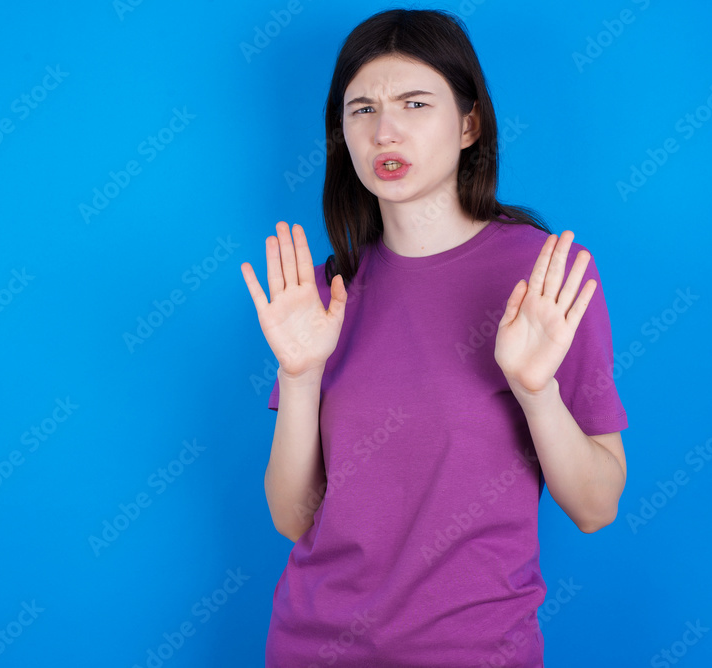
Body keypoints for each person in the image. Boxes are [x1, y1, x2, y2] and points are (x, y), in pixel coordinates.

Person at [240, 8, 628, 667]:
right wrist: (301, 377)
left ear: (469, 123)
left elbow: (596, 507)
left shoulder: (547, 276)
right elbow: (293, 518)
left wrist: (536, 394)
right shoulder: (326, 292)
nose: (384, 130)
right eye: (360, 109)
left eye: (414, 103)